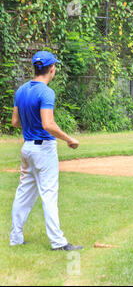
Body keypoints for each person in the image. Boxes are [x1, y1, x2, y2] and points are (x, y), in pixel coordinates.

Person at [10, 51, 83, 251]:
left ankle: (15, 238)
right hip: (44, 149)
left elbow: (15, 122)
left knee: (23, 193)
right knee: (49, 194)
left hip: (27, 148)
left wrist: (30, 124)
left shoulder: (21, 90)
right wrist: (69, 139)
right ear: (51, 69)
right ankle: (58, 242)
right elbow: (48, 124)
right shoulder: (46, 92)